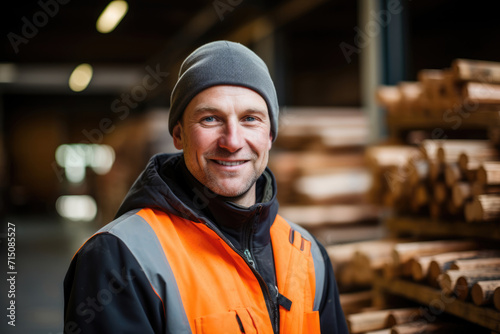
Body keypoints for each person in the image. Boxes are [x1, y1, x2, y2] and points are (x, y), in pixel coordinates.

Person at [64, 40, 348, 334]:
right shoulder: (119, 257)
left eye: (250, 119)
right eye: (211, 119)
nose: (233, 141)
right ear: (178, 135)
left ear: (270, 136)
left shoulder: (308, 254)